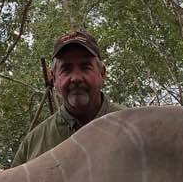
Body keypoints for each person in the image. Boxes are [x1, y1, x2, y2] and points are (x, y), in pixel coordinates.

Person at [11, 30, 124, 167]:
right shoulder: (33, 144)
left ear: (102, 73)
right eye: (66, 69)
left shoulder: (133, 125)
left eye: (85, 67)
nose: (76, 78)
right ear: (54, 78)